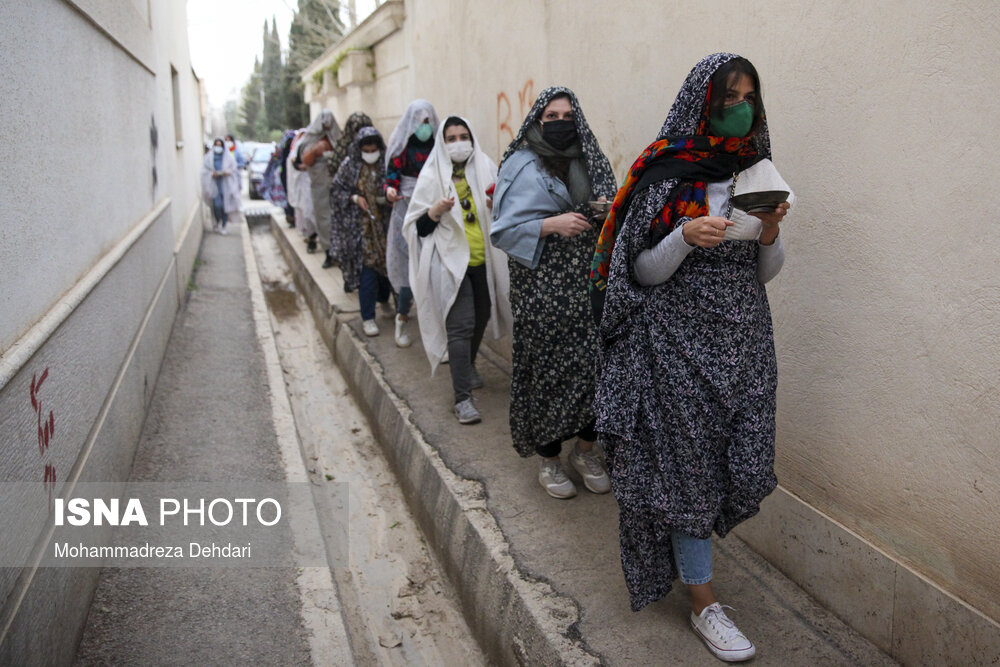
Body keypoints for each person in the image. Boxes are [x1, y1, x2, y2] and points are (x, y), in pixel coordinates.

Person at [591, 53, 790, 662]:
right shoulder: (666, 173)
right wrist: (684, 235)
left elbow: (767, 272)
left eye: (750, 97)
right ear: (703, 101)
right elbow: (640, 274)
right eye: (730, 98)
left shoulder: (757, 171)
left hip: (744, 345)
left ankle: (697, 573)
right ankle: (704, 601)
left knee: (745, 459)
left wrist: (771, 232)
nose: (742, 110)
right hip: (676, 350)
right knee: (689, 474)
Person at [490, 87, 615, 499]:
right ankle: (548, 460)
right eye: (551, 115)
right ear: (537, 120)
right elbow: (502, 231)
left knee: (593, 370)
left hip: (587, 286)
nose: (560, 122)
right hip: (541, 289)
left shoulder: (589, 158)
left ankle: (585, 451)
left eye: (567, 115)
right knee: (547, 372)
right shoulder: (519, 164)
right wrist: (550, 225)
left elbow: (614, 207)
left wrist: (602, 210)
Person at [403, 116, 511, 424]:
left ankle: (468, 366)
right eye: (451, 138)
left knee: (482, 315)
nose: (458, 142)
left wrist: (495, 203)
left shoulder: (485, 167)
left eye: (464, 135)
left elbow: (504, 204)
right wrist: (434, 211)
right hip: (450, 263)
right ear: (442, 142)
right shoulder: (431, 175)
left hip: (482, 260)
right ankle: (463, 398)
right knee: (461, 325)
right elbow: (416, 228)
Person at [383, 100, 440, 348]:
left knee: (434, 271)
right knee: (409, 271)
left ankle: (438, 335)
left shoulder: (439, 148)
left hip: (434, 211)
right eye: (420, 122)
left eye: (428, 122)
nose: (424, 127)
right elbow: (391, 178)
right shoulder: (402, 149)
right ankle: (402, 318)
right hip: (406, 210)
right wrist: (390, 191)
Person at [330, 127, 393, 335]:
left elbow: (393, 183)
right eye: (367, 150)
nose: (371, 153)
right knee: (368, 273)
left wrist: (387, 198)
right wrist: (355, 198)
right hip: (361, 230)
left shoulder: (385, 163)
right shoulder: (350, 166)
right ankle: (368, 317)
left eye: (374, 149)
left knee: (386, 271)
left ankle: (384, 301)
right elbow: (336, 190)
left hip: (384, 227)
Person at [327, 112, 374, 281]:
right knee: (349, 248)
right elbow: (334, 176)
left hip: (370, 212)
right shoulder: (346, 153)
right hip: (347, 206)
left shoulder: (377, 153)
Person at [297, 111, 340, 267]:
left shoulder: (337, 136)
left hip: (337, 184)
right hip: (319, 185)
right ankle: (328, 252)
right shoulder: (310, 139)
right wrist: (316, 150)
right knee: (323, 219)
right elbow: (304, 160)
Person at [201, 137, 241, 234]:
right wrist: (212, 174)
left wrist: (228, 172)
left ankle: (224, 225)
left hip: (226, 185)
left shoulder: (229, 158)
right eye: (216, 145)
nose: (218, 147)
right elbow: (204, 171)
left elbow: (234, 170)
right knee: (217, 206)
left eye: (220, 145)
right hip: (214, 185)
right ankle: (217, 222)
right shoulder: (209, 158)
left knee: (226, 206)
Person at [286, 128, 317, 245]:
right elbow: (295, 163)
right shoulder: (300, 147)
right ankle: (310, 237)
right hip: (304, 186)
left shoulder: (317, 146)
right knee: (307, 212)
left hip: (317, 184)